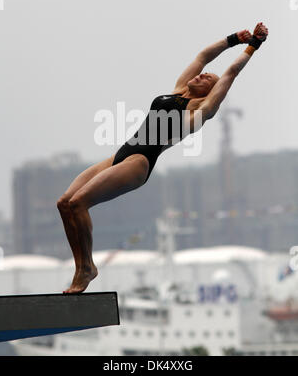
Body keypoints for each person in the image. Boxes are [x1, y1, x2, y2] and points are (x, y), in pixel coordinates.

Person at [57, 22, 268, 293]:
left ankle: (86, 269)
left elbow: (229, 74)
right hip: (120, 154)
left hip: (139, 162)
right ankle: (82, 265)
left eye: (208, 79)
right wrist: (232, 39)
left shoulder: (199, 109)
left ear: (209, 93)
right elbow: (202, 57)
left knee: (79, 203)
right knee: (65, 203)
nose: (203, 75)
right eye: (204, 75)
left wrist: (252, 47)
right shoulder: (179, 89)